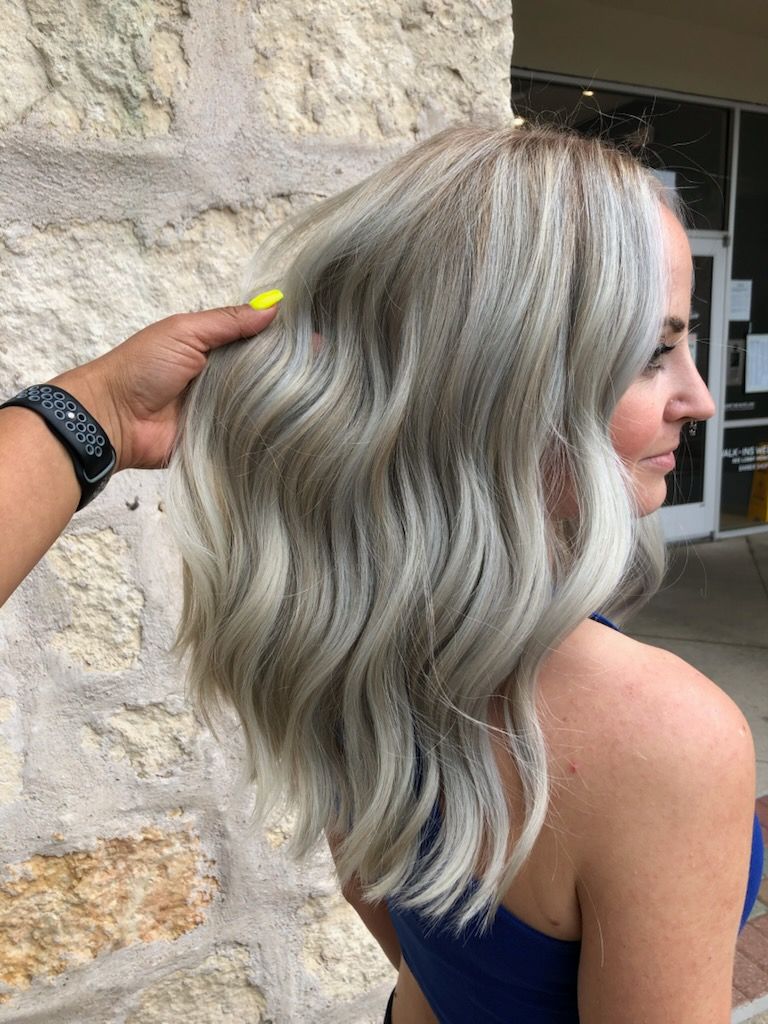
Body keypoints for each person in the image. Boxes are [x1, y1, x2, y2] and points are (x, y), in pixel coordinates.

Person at [0, 121, 762, 1024]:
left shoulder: (347, 642)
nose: (698, 399)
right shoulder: (668, 737)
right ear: (492, 384)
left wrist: (94, 407)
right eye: (650, 354)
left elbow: (413, 946)